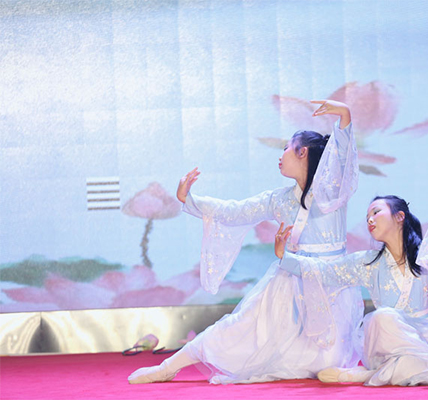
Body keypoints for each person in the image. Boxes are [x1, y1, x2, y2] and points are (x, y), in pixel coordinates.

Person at [128, 100, 364, 384]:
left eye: (286, 148)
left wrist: (345, 115)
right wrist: (189, 199)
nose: (281, 156)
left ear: (302, 152)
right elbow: (234, 212)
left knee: (327, 360)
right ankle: (168, 366)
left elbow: (343, 160)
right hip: (290, 280)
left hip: (330, 281)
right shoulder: (279, 199)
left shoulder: (331, 193)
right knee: (238, 327)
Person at [274, 151, 428, 386]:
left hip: (424, 339)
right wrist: (284, 256)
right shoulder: (368, 262)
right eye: (368, 216)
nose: (370, 219)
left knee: (413, 368)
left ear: (399, 217)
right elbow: (325, 271)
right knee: (383, 317)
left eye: (376, 212)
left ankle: (369, 374)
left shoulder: (426, 256)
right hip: (385, 342)